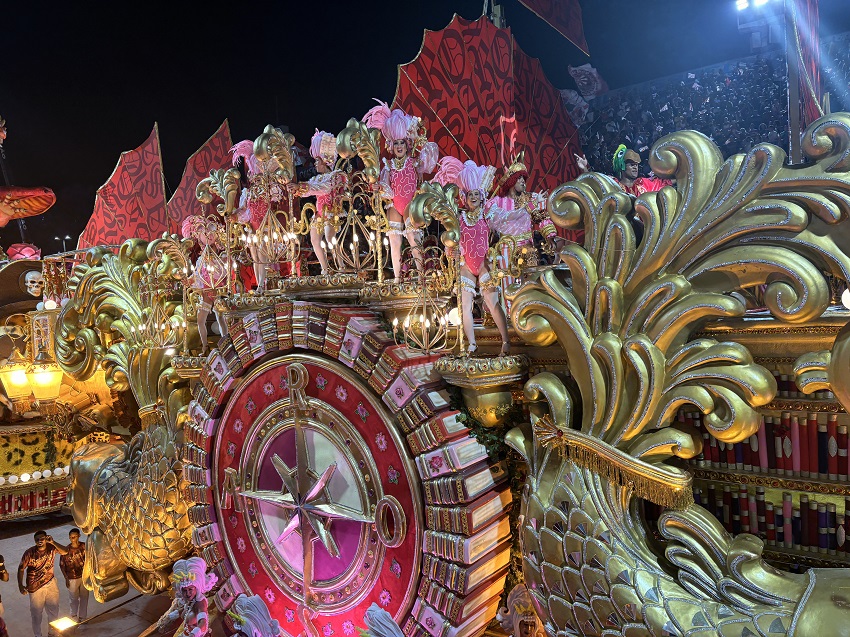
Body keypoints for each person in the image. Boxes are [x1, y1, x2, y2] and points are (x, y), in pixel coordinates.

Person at [434, 157, 518, 356]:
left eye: (476, 194)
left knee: (492, 302)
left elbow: (505, 223)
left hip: (484, 264)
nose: (473, 197)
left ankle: (505, 341)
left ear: (481, 196)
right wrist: (450, 250)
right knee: (464, 305)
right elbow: (452, 239)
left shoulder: (487, 214)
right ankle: (471, 344)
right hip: (466, 265)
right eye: (469, 194)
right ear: (465, 197)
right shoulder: (459, 218)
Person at [363, 99, 439, 281]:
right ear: (391, 145)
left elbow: (428, 162)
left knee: (413, 238)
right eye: (396, 144)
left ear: (407, 145)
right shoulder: (387, 165)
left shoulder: (414, 163)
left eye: (402, 144)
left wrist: (421, 138)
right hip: (394, 204)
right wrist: (379, 187)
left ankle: (421, 276)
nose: (399, 147)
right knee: (394, 242)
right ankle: (397, 278)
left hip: (410, 204)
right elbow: (386, 187)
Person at [488, 151, 557, 306]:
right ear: (511, 181)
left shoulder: (530, 198)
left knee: (530, 280)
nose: (523, 182)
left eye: (524, 178)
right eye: (519, 178)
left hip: (527, 246)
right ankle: (508, 311)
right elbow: (493, 222)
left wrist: (550, 236)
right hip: (506, 246)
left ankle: (530, 309)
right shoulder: (498, 202)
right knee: (507, 279)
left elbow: (541, 217)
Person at [289, 130, 347, 275]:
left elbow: (321, 189)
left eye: (317, 161)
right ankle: (325, 269)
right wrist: (296, 189)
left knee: (329, 238)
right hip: (319, 213)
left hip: (332, 213)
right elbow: (312, 188)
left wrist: (301, 187)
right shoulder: (318, 178)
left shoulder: (335, 176)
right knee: (314, 239)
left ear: (326, 160)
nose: (315, 164)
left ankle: (341, 267)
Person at [18, 530, 69, 637]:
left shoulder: (51, 547)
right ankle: (38, 635)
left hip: (50, 582)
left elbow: (65, 551)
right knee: (36, 614)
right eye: (37, 539)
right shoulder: (29, 553)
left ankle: (52, 633)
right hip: (35, 587)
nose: (39, 541)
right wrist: (20, 585)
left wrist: (53, 542)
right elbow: (21, 569)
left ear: (46, 538)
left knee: (53, 610)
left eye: (42, 538)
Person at [151, 557, 216, 637]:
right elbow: (185, 610)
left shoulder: (200, 603)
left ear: (197, 587)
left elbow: (203, 623)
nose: (188, 593)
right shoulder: (191, 601)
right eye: (184, 590)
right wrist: (170, 616)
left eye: (190, 589)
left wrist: (193, 634)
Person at [59, 528, 88, 623]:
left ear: (79, 536)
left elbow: (90, 559)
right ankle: (74, 616)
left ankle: (83, 617)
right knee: (73, 598)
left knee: (84, 596)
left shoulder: (84, 546)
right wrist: (66, 578)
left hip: (84, 576)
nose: (72, 538)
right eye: (71, 537)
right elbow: (62, 565)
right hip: (72, 578)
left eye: (74, 536)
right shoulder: (66, 550)